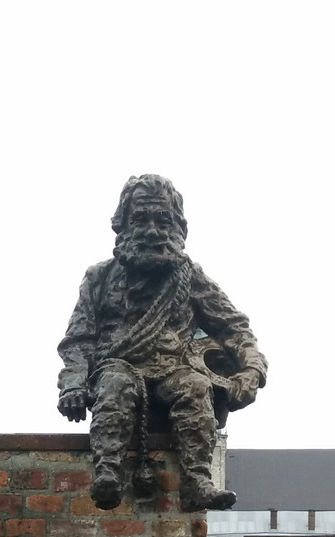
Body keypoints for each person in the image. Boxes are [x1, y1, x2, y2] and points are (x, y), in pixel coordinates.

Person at [57, 175, 268, 510]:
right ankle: (107, 472)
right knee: (114, 383)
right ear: (123, 225)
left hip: (173, 370)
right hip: (118, 367)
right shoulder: (99, 278)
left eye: (162, 221)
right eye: (140, 220)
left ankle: (197, 481)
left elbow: (234, 327)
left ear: (178, 227)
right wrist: (72, 385)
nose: (152, 231)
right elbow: (78, 339)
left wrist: (251, 369)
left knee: (196, 386)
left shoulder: (190, 276)